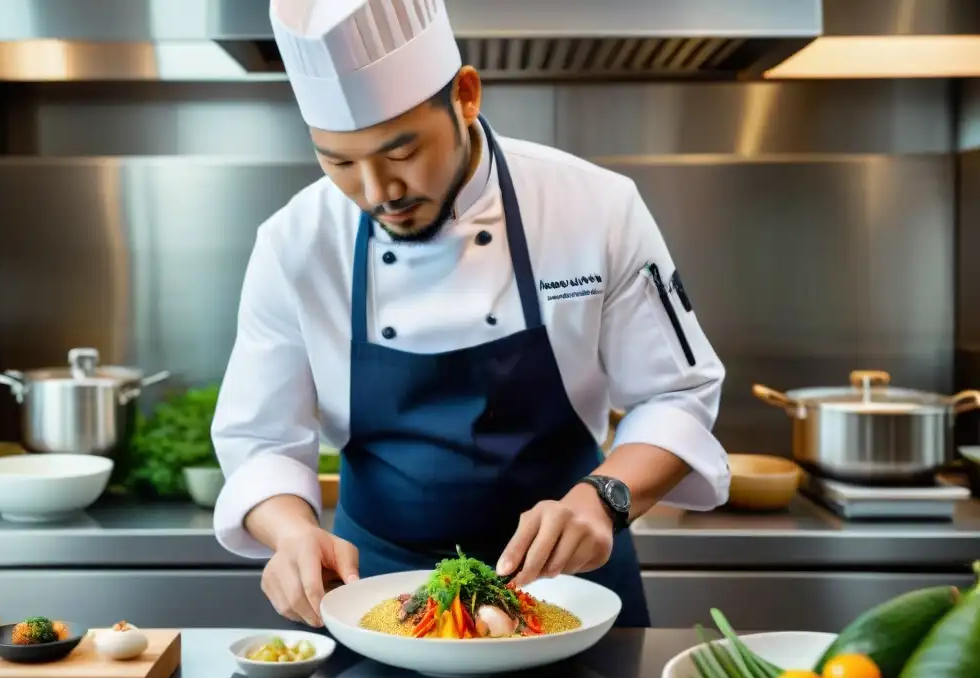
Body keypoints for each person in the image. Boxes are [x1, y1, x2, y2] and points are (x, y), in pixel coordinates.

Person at [211, 0, 730, 630]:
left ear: (465, 95)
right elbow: (261, 439)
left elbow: (677, 394)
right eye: (340, 162)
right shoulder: (295, 242)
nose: (378, 193)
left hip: (570, 586)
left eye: (400, 153)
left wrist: (605, 499)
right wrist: (291, 531)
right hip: (376, 594)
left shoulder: (595, 207)